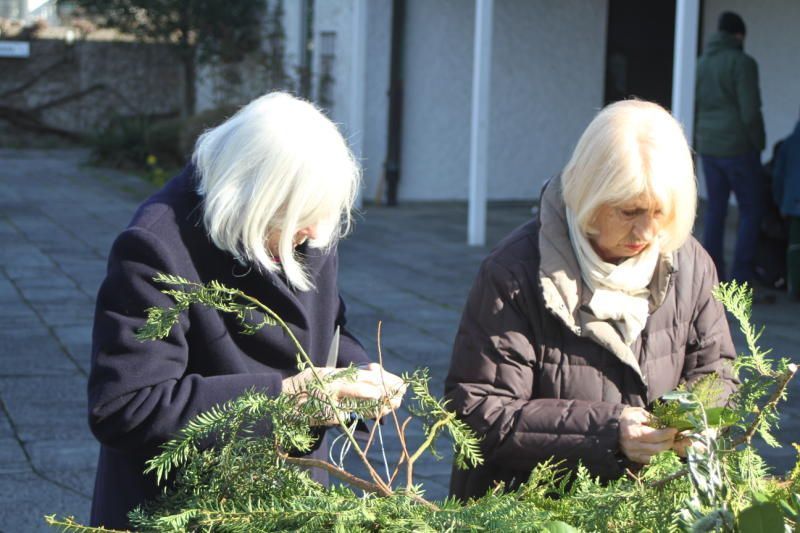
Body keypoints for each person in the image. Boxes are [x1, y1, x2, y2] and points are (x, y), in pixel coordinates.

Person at [87, 92, 405, 528]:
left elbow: (328, 327)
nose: (312, 232)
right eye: (296, 219)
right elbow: (126, 407)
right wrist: (287, 397)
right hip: (187, 508)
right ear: (250, 197)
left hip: (292, 499)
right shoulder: (156, 246)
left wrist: (358, 375)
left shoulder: (306, 220)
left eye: (318, 218)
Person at [445, 100, 738, 500]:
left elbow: (717, 369)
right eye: (629, 210)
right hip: (531, 512)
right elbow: (480, 413)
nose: (648, 230)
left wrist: (693, 422)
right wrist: (607, 431)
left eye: (659, 211)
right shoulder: (514, 274)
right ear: (590, 194)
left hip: (649, 509)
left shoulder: (690, 263)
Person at [695, 11, 766, 285]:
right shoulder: (742, 63)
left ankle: (712, 276)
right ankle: (741, 277)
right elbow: (750, 112)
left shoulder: (701, 63)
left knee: (715, 209)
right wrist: (758, 142)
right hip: (738, 147)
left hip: (710, 147)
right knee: (750, 210)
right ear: (739, 35)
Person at [773, 114, 800, 299]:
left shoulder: (789, 144)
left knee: (795, 248)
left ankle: (794, 289)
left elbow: (778, 177)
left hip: (793, 204)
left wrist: (781, 202)